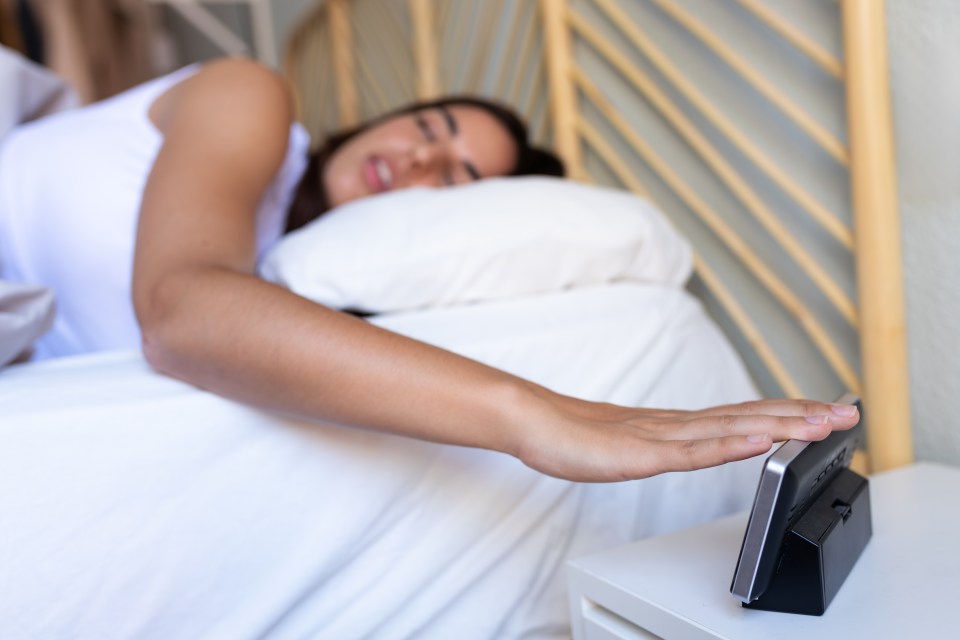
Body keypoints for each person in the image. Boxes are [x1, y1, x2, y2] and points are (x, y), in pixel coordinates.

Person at [0, 57, 859, 482]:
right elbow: (179, 315)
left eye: (454, 180)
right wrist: (535, 416)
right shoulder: (252, 96)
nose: (415, 163)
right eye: (432, 128)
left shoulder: (283, 272)